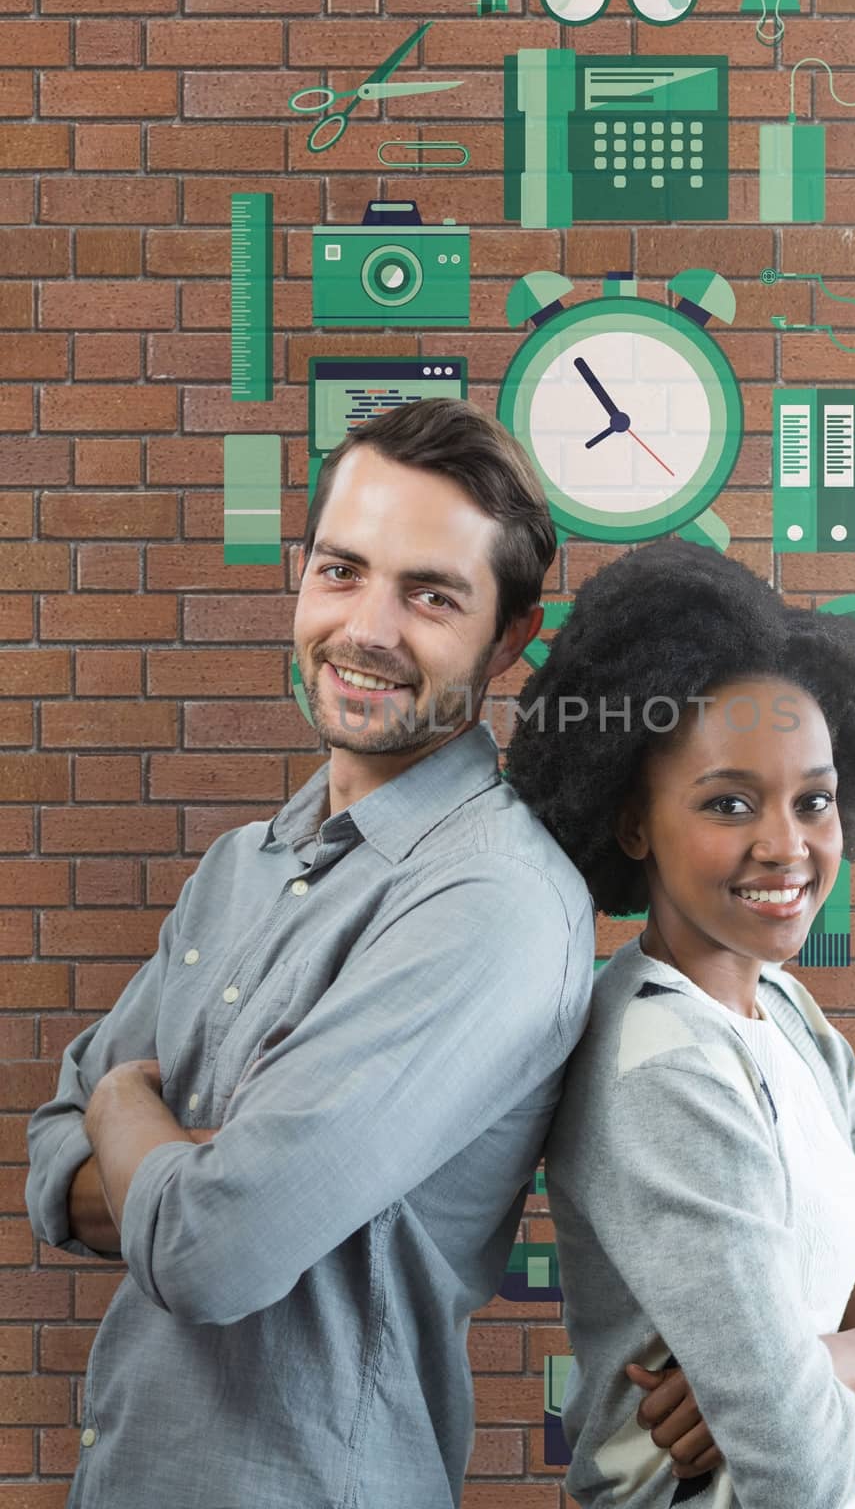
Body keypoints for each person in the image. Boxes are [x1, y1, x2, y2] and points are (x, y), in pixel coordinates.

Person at [24, 398, 605, 1509]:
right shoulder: (244, 863)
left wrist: (120, 1112)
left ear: (510, 636)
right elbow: (52, 1161)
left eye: (431, 595)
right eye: (342, 570)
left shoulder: (497, 901)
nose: (368, 627)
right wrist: (170, 1158)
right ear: (301, 575)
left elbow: (212, 1250)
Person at [505, 539, 855, 1508]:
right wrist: (814, 1366)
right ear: (634, 822)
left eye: (814, 800)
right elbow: (806, 1466)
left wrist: (813, 1358)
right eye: (730, 802)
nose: (787, 844)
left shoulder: (794, 1018)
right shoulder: (657, 1065)